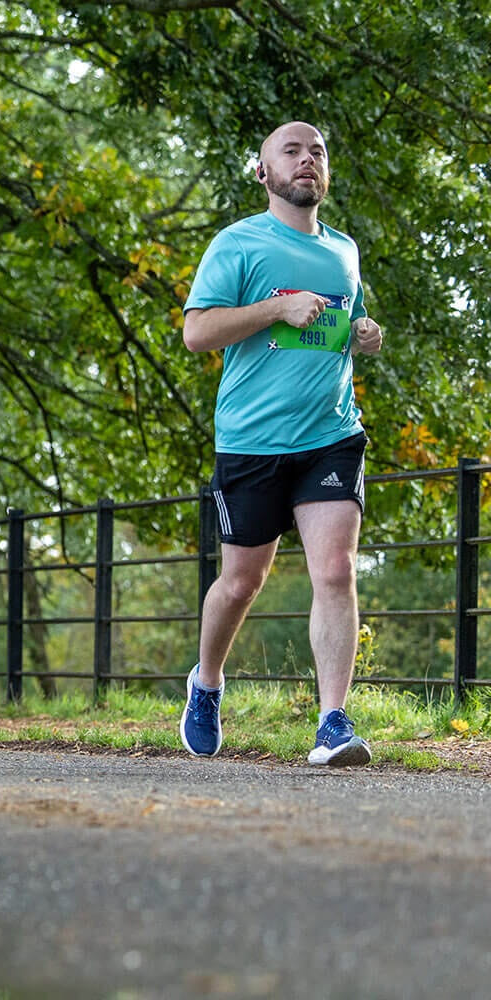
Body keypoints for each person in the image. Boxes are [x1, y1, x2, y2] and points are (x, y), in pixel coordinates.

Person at [178, 120, 382, 767]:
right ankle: (206, 684)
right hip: (252, 440)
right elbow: (198, 333)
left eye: (317, 151)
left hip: (331, 434)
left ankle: (331, 723)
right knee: (241, 582)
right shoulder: (238, 245)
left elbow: (338, 326)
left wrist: (363, 333)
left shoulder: (343, 251)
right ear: (263, 172)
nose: (306, 160)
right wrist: (275, 308)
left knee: (335, 570)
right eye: (290, 151)